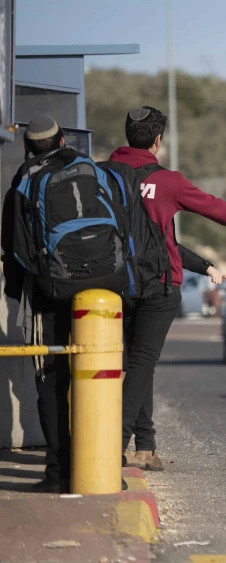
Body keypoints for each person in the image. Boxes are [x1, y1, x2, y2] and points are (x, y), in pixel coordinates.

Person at [109, 106, 226, 471]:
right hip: (158, 285)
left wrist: (205, 267)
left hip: (116, 283)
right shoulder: (167, 181)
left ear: (128, 136)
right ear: (158, 140)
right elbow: (215, 208)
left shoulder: (103, 174)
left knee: (139, 364)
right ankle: (113, 446)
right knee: (142, 363)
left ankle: (145, 445)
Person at [0, 116, 75, 492]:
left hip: (45, 292)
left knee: (49, 379)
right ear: (63, 140)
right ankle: (100, 463)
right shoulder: (86, 169)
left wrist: (16, 293)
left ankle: (58, 473)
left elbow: (12, 247)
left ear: (28, 147)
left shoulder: (23, 182)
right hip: (98, 291)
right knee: (94, 374)